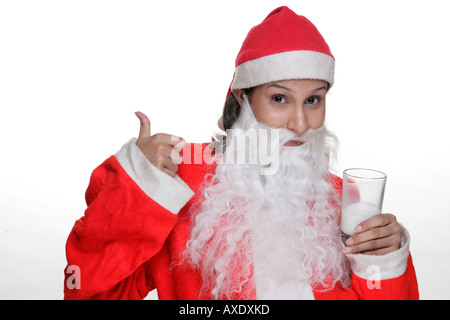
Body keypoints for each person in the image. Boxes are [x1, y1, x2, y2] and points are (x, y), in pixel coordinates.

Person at [64, 6, 419, 300]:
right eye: (279, 99)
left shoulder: (342, 197)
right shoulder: (181, 179)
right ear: (242, 99)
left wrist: (383, 260)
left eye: (313, 100)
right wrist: (136, 186)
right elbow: (91, 290)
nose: (300, 123)